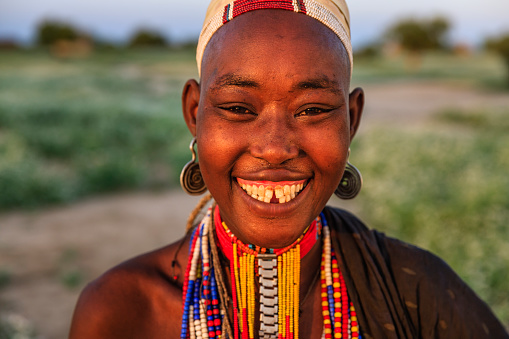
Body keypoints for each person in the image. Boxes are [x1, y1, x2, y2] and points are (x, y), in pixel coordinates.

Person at [69, 0, 508, 338]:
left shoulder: (416, 291)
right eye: (238, 108)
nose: (275, 148)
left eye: (313, 109)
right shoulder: (121, 310)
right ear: (194, 113)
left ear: (351, 120)